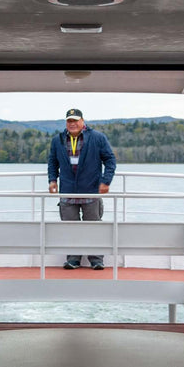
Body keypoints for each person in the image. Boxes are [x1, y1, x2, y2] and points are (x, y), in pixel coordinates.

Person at [48, 108, 116, 270]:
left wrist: (106, 181)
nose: (72, 124)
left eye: (75, 120)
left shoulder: (97, 138)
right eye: (69, 121)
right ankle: (73, 259)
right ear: (66, 122)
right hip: (67, 192)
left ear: (83, 121)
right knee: (70, 228)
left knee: (94, 227)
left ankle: (96, 259)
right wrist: (52, 180)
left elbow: (110, 160)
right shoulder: (57, 140)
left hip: (91, 191)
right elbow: (52, 162)